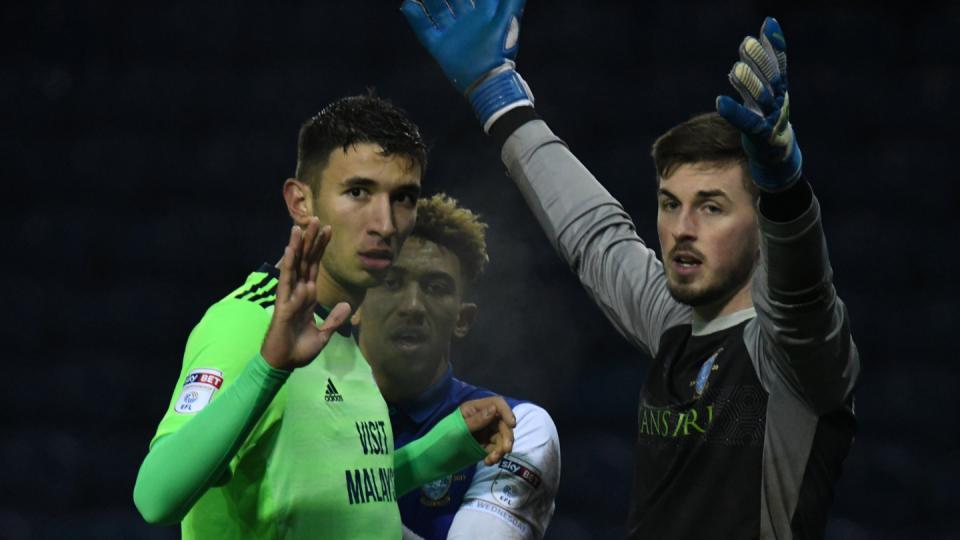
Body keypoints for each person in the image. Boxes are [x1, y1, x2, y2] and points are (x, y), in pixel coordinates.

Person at [402, 3, 859, 538]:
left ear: (760, 226)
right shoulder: (675, 321)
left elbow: (803, 297)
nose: (682, 228)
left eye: (711, 207)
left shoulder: (792, 355)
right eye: (670, 204)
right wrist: (498, 96)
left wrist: (784, 192)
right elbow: (595, 234)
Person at [133, 94, 517, 539]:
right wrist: (268, 367)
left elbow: (343, 490)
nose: (385, 224)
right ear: (300, 202)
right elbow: (155, 497)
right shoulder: (246, 324)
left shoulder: (339, 326)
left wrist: (444, 446)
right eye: (358, 192)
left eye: (403, 198)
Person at [355, 193, 560, 539]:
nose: (412, 306)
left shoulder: (515, 428)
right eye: (391, 282)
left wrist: (324, 503)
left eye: (435, 288)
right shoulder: (306, 407)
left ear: (462, 320)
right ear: (355, 302)